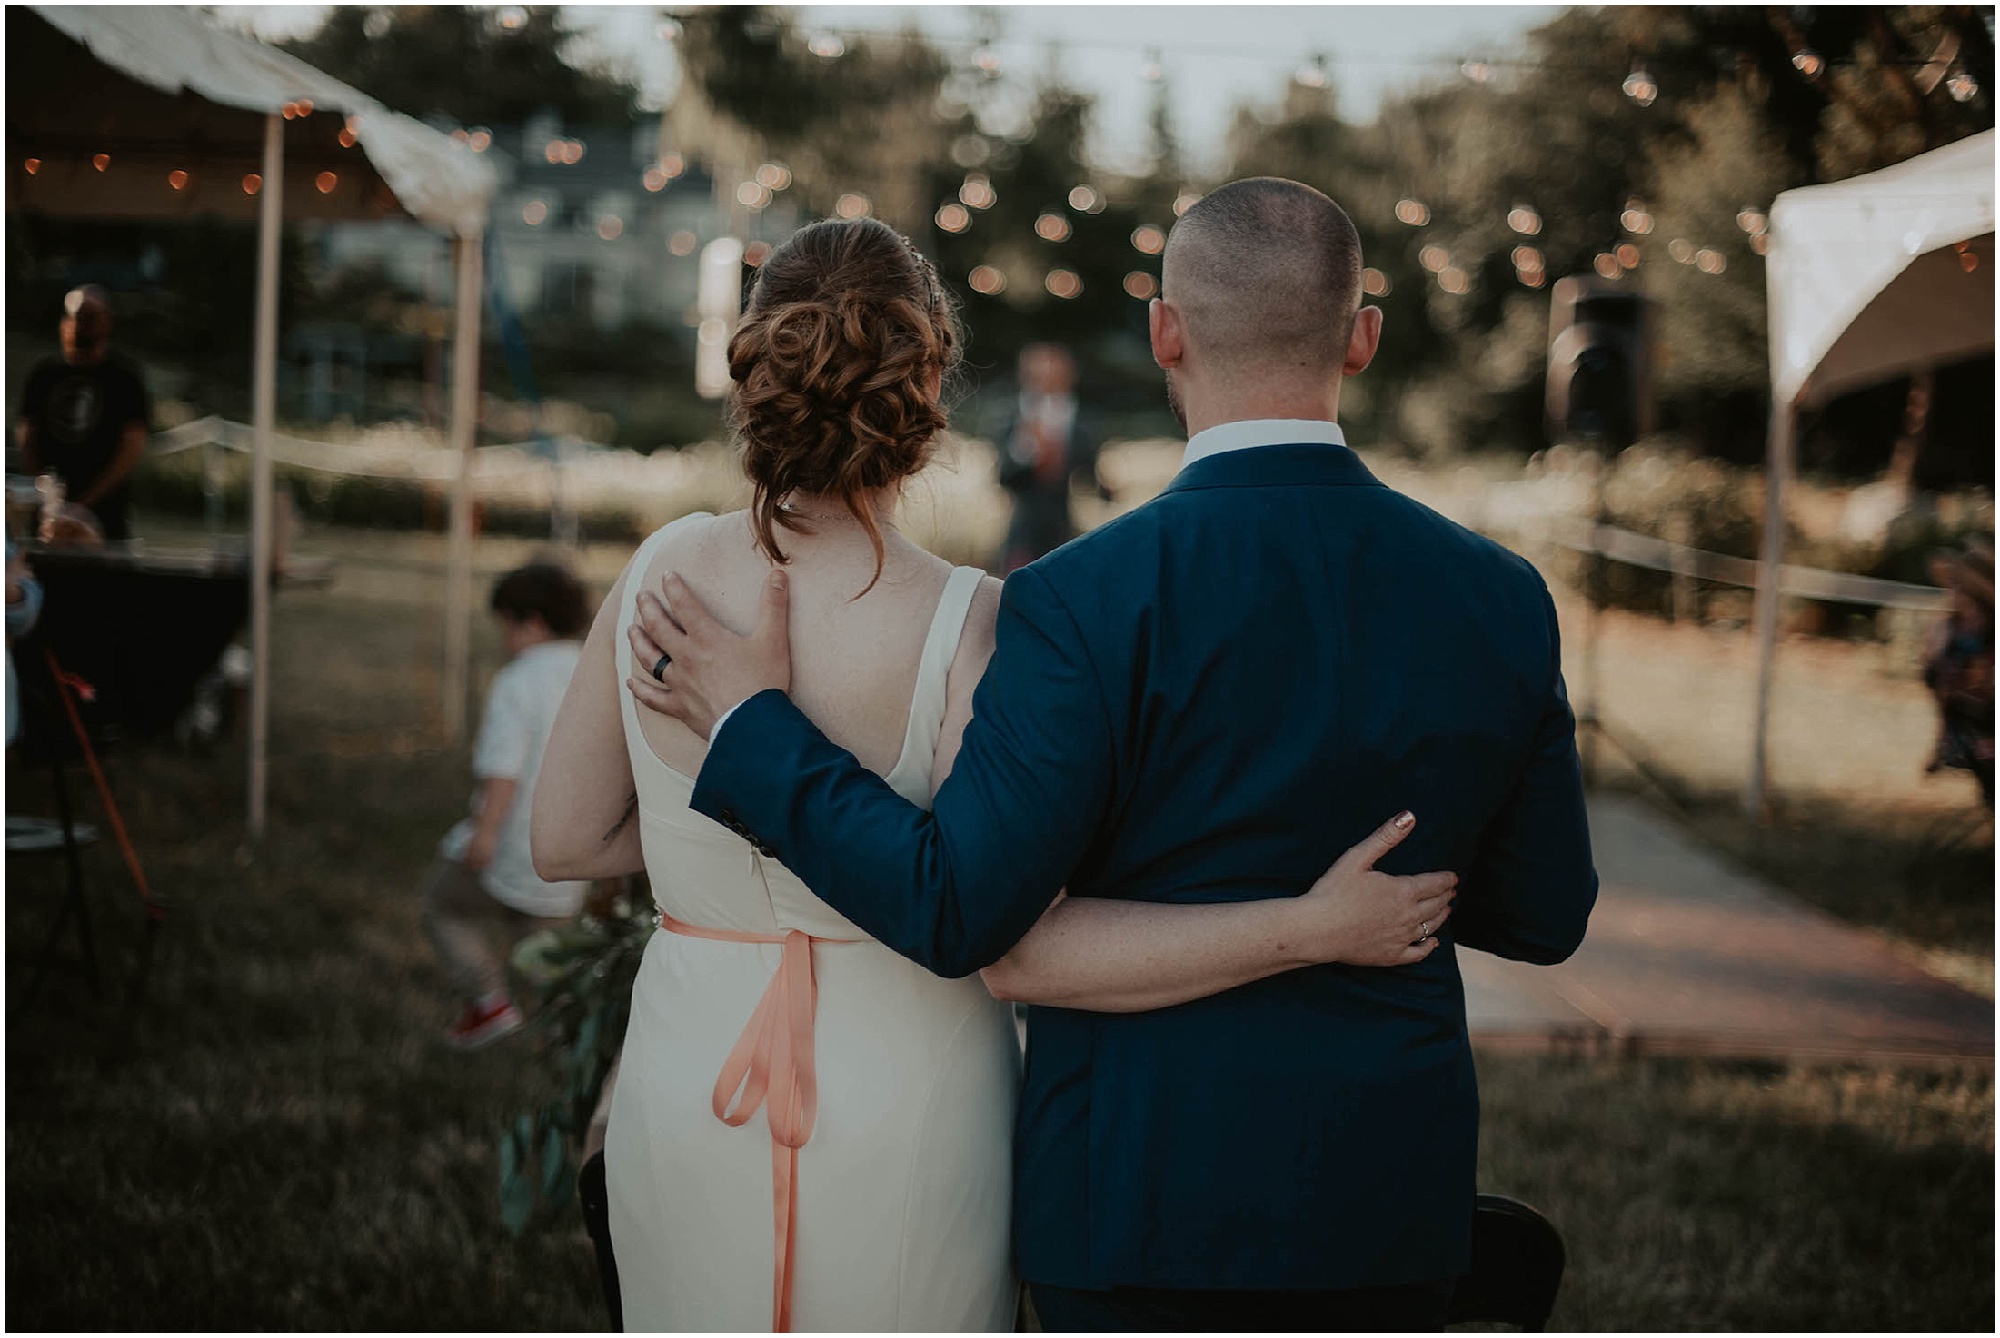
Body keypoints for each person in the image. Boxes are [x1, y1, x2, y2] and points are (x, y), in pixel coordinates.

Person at [630, 179, 1599, 1332]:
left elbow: (961, 909)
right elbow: (1541, 913)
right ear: (1362, 338)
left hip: (1135, 1200)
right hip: (1381, 1198)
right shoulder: (1498, 597)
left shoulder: (1077, 602)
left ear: (1164, 332)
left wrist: (752, 732)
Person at [422, 560, 591, 1049]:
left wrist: (486, 831)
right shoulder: (592, 671)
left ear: (531, 622)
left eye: (507, 627)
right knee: (541, 946)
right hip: (571, 845)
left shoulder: (518, 683)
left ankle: (487, 1001)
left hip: (515, 839)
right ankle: (571, 1041)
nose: (505, 639)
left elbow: (504, 768)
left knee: (441, 906)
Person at [15, 285, 152, 544]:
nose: (83, 326)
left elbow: (132, 446)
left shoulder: (124, 377)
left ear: (106, 322)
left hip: (106, 512)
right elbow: (27, 434)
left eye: (91, 317)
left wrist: (84, 503)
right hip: (49, 510)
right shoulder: (44, 374)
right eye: (78, 316)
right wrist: (44, 493)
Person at [993, 343, 1108, 572]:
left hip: (1062, 531)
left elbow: (1091, 478)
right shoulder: (1011, 418)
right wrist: (1028, 452)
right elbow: (1003, 477)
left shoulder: (1083, 423)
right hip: (1022, 534)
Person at [1924, 537, 1994, 803]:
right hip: (1966, 720)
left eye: (1959, 586)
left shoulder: (1987, 632)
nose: (1953, 592)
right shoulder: (1950, 628)